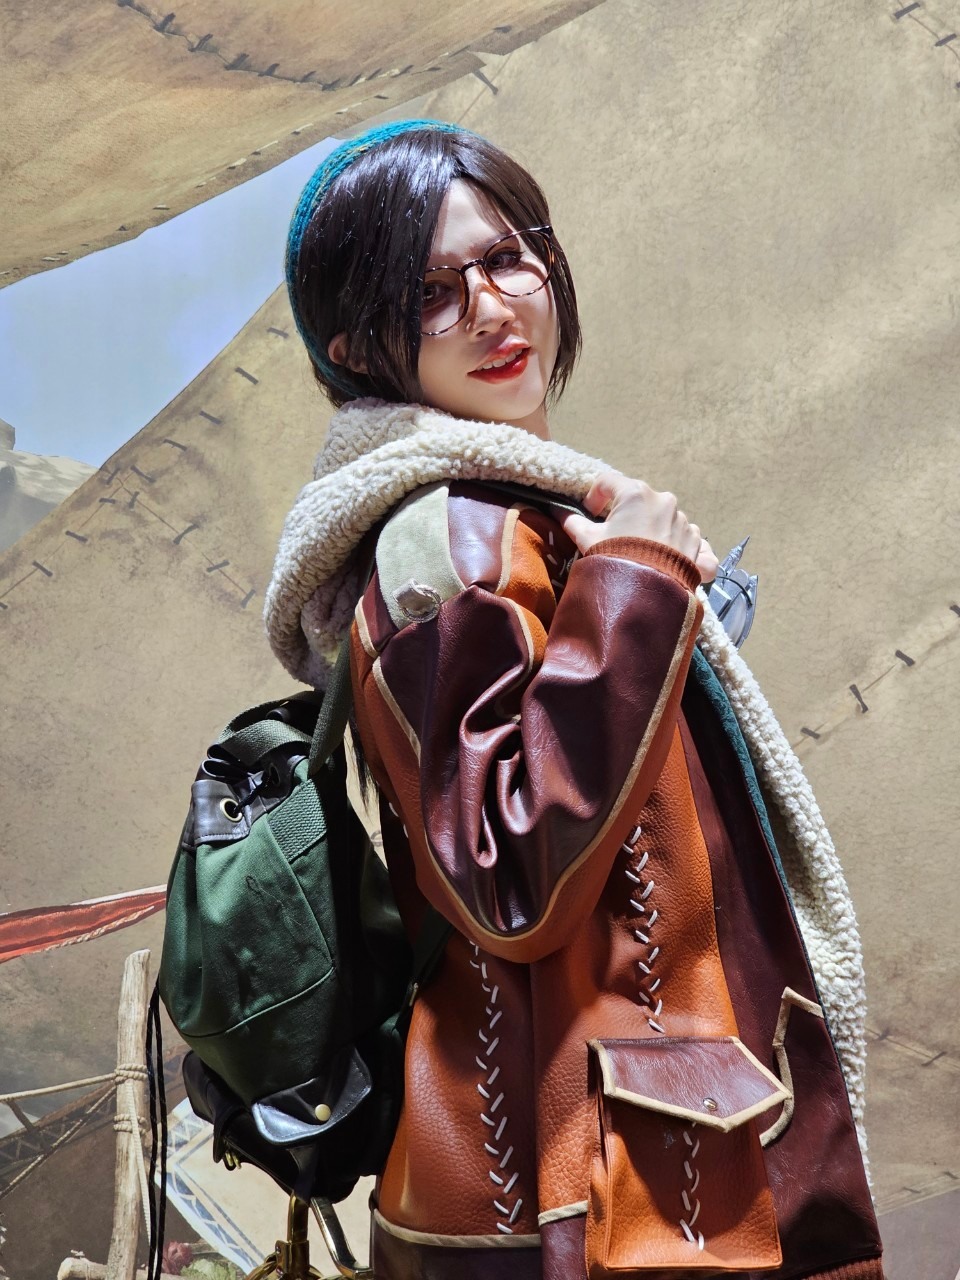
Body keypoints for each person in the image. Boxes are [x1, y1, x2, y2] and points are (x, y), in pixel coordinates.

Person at [264, 120, 884, 1280]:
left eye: (508, 258)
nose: (492, 308)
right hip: (581, 1199)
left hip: (647, 1156)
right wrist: (635, 578)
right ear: (352, 347)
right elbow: (505, 872)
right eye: (430, 292)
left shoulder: (523, 513)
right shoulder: (441, 538)